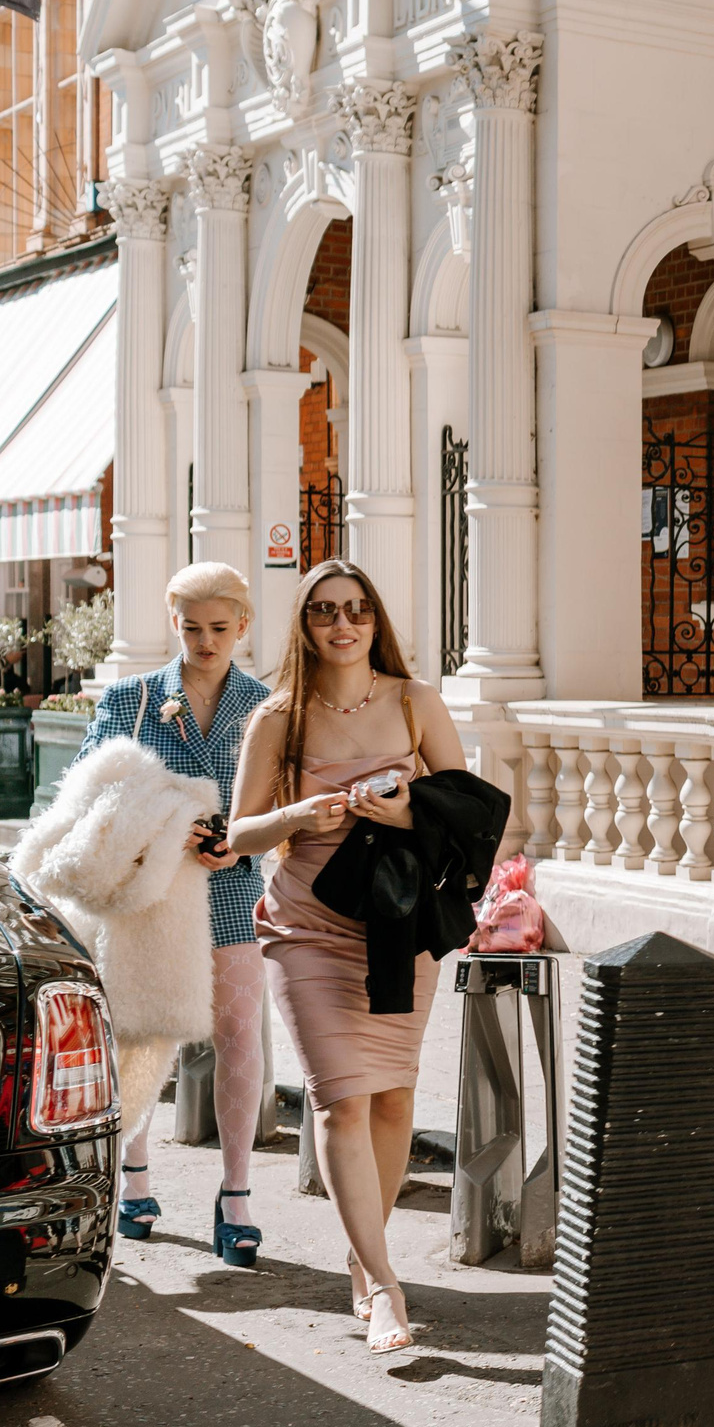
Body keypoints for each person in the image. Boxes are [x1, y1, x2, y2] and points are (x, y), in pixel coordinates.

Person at [229, 560, 468, 1356]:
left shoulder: (414, 701)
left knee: (394, 1098)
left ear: (375, 621)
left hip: (398, 928)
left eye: (358, 610)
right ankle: (388, 1286)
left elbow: (470, 810)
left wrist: (406, 808)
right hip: (307, 928)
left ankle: (363, 1260)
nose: (343, 624)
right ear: (305, 624)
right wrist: (295, 811)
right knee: (340, 1100)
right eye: (326, 611)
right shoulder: (277, 719)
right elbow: (240, 836)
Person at [88, 563, 272, 1266]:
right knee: (137, 1034)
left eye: (219, 628)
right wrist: (166, 822)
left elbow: (280, 804)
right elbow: (92, 788)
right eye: (191, 627)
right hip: (155, 893)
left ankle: (237, 1196)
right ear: (174, 624)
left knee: (238, 1035)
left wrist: (241, 840)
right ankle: (134, 1178)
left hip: (232, 893)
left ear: (244, 627)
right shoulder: (132, 700)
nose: (204, 640)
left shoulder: (264, 707)